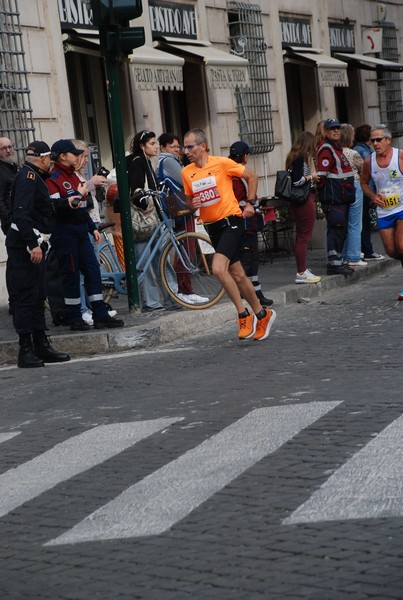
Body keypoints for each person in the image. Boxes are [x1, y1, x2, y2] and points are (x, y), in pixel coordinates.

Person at [182, 128, 276, 341]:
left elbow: (252, 176)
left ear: (202, 146)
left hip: (231, 221)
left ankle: (243, 315)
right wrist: (192, 204)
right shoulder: (186, 172)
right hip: (212, 226)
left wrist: (251, 204)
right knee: (238, 275)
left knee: (217, 268)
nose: (186, 151)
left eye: (190, 147)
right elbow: (189, 201)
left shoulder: (222, 163)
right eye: (184, 147)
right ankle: (262, 314)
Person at [46, 139, 124, 330]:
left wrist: (92, 228)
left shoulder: (73, 176)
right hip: (65, 234)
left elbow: (82, 207)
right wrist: (81, 191)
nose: (78, 157)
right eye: (74, 153)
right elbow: (60, 208)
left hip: (81, 232)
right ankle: (75, 317)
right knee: (71, 275)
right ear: (63, 156)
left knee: (93, 271)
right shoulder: (52, 178)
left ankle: (100, 314)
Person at [5, 141, 70, 368]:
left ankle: (41, 344)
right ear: (43, 159)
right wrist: (32, 244)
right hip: (25, 247)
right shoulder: (28, 179)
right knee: (25, 297)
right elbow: (21, 215)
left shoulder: (33, 177)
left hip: (35, 245)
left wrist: (64, 203)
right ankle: (26, 349)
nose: (51, 164)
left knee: (37, 296)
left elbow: (42, 208)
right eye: (50, 160)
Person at [127, 129, 178, 312]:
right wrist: (146, 206)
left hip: (154, 219)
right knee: (147, 261)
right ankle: (154, 301)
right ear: (142, 146)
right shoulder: (138, 162)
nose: (156, 147)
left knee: (160, 259)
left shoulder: (146, 161)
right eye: (152, 143)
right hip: (145, 220)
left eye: (156, 143)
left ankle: (169, 298)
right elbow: (137, 191)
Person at [157, 132, 208, 305]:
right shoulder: (169, 161)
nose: (177, 150)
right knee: (186, 249)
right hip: (180, 209)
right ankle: (185, 289)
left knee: (184, 248)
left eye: (178, 147)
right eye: (173, 146)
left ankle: (184, 289)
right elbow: (188, 180)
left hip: (177, 209)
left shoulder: (165, 161)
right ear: (163, 147)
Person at [72, 139, 116, 325]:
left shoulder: (81, 174)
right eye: (84, 156)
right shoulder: (71, 176)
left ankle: (92, 307)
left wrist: (95, 185)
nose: (87, 160)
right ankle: (83, 309)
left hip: (92, 223)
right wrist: (91, 183)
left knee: (92, 272)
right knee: (83, 273)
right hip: (83, 227)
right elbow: (74, 198)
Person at [360, 124, 403, 299]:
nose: (375, 144)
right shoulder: (369, 161)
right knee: (392, 251)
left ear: (388, 140)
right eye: (372, 141)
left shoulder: (399, 157)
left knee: (401, 245)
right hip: (385, 210)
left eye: (379, 140)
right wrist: (372, 196)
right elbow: (363, 183)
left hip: (402, 208)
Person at [228, 140, 273, 303]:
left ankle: (257, 293)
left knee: (253, 258)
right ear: (244, 156)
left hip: (249, 223)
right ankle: (246, 295)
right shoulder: (235, 175)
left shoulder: (238, 173)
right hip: (244, 224)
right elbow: (239, 200)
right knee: (246, 259)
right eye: (248, 154)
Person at [316, 118, 355, 276]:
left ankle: (338, 261)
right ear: (325, 131)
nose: (336, 131)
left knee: (341, 229)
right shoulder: (326, 149)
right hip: (334, 198)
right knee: (336, 228)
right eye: (332, 129)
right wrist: (325, 194)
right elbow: (322, 176)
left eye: (338, 128)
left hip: (342, 197)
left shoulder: (335, 147)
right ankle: (334, 264)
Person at [285, 131, 321, 284]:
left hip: (300, 200)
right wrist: (311, 177)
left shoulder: (294, 157)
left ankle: (302, 269)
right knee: (304, 236)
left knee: (302, 235)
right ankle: (301, 272)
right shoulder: (300, 159)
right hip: (303, 200)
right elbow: (297, 181)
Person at [353, 124, 384, 261]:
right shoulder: (364, 152)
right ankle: (367, 250)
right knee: (365, 222)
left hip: (361, 191)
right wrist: (372, 194)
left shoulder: (358, 149)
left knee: (363, 221)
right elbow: (368, 176)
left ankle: (365, 249)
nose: (375, 143)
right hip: (364, 192)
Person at [339, 123, 367, 268]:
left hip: (339, 188)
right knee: (355, 223)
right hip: (354, 186)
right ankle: (354, 255)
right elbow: (363, 170)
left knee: (343, 222)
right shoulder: (353, 153)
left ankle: (342, 254)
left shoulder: (335, 152)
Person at [0, 137, 19, 314]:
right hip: (11, 222)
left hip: (18, 220)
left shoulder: (12, 167)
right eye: (4, 148)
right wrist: (9, 220)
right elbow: (1, 199)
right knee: (14, 261)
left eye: (10, 147)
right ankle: (14, 301)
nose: (8, 150)